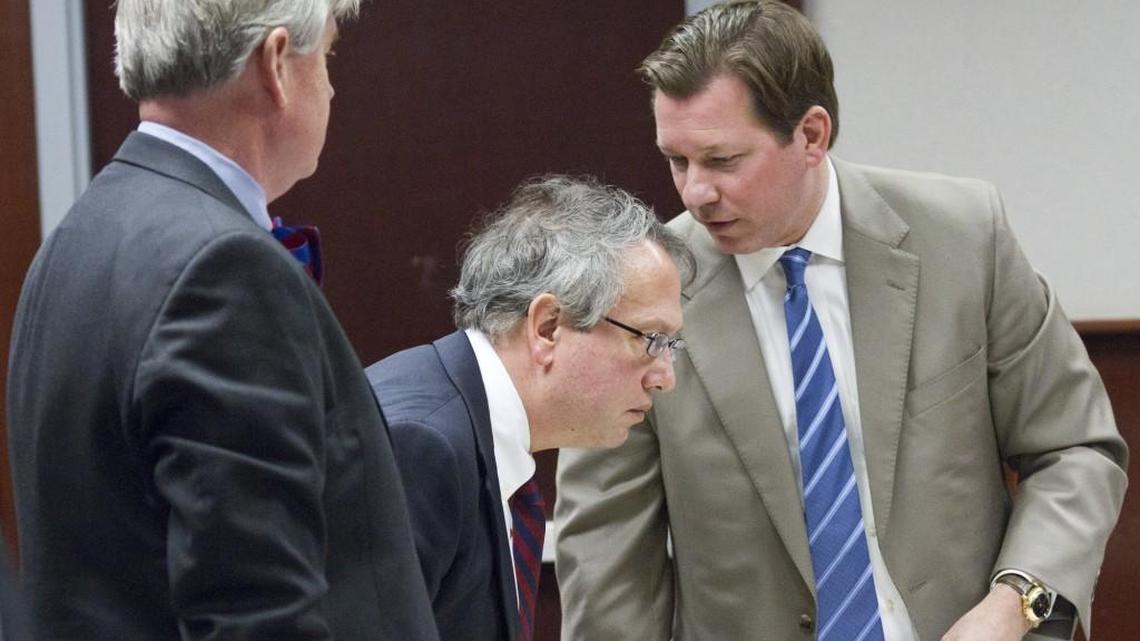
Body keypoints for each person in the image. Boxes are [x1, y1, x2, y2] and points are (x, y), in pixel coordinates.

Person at [554, 2, 1128, 641]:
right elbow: (607, 558)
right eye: (676, 160)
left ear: (811, 135)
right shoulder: (633, 299)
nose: (694, 193)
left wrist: (1015, 603)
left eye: (722, 161)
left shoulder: (964, 238)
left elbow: (1074, 448)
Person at [5, 1, 438, 639]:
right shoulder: (224, 267)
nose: (332, 83)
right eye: (329, 56)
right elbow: (258, 611)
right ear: (276, 66)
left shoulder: (76, 238)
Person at [366, 176, 693, 641]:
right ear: (547, 326)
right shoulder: (420, 445)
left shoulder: (466, 424)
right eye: (650, 339)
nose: (665, 376)